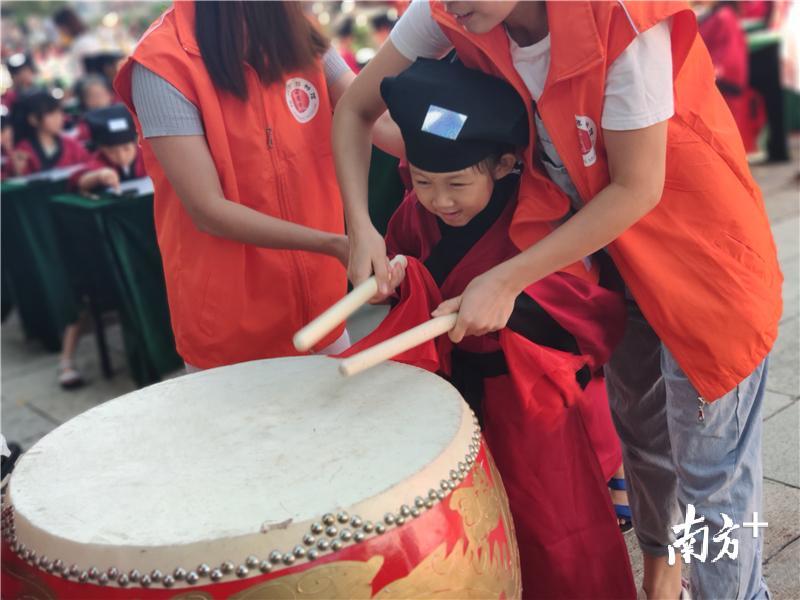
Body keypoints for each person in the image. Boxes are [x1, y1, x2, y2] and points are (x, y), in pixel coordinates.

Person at [332, 2, 781, 599]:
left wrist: (509, 278)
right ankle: (661, 583)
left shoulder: (620, 18)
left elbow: (637, 186)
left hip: (699, 265)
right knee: (646, 447)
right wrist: (360, 225)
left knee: (712, 479)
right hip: (613, 268)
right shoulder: (451, 11)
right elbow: (357, 109)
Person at [344, 57, 635, 598]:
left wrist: (512, 303)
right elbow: (411, 265)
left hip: (527, 402)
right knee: (466, 529)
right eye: (424, 181)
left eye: (456, 182)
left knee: (554, 527)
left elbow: (588, 312)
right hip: (452, 401)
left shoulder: (538, 218)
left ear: (504, 165)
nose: (439, 199)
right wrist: (401, 281)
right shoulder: (417, 213)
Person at [114, 1, 400, 370]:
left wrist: (461, 141)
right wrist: (335, 243)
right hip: (230, 335)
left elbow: (377, 119)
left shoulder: (299, 32)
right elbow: (208, 210)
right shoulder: (161, 64)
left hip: (323, 314)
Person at [68, 104, 145, 194]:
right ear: (101, 149)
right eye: (112, 151)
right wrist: (98, 176)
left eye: (126, 149)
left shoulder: (146, 156)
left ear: (136, 142)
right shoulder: (99, 160)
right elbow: (79, 179)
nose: (121, 156)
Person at [11, 90, 89, 176]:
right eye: (51, 114)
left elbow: (88, 166)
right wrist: (17, 171)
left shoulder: (71, 144)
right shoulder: (23, 150)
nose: (59, 118)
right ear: (33, 119)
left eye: (59, 113)